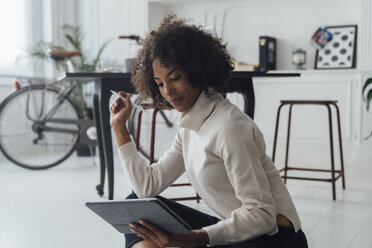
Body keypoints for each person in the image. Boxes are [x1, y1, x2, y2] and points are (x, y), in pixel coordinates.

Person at [110, 14, 308, 248]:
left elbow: (262, 215)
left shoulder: (230, 126)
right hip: (242, 230)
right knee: (137, 209)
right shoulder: (190, 127)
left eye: (175, 78)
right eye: (160, 83)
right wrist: (119, 128)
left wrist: (195, 238)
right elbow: (146, 187)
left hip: (274, 239)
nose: (168, 91)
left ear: (197, 71)